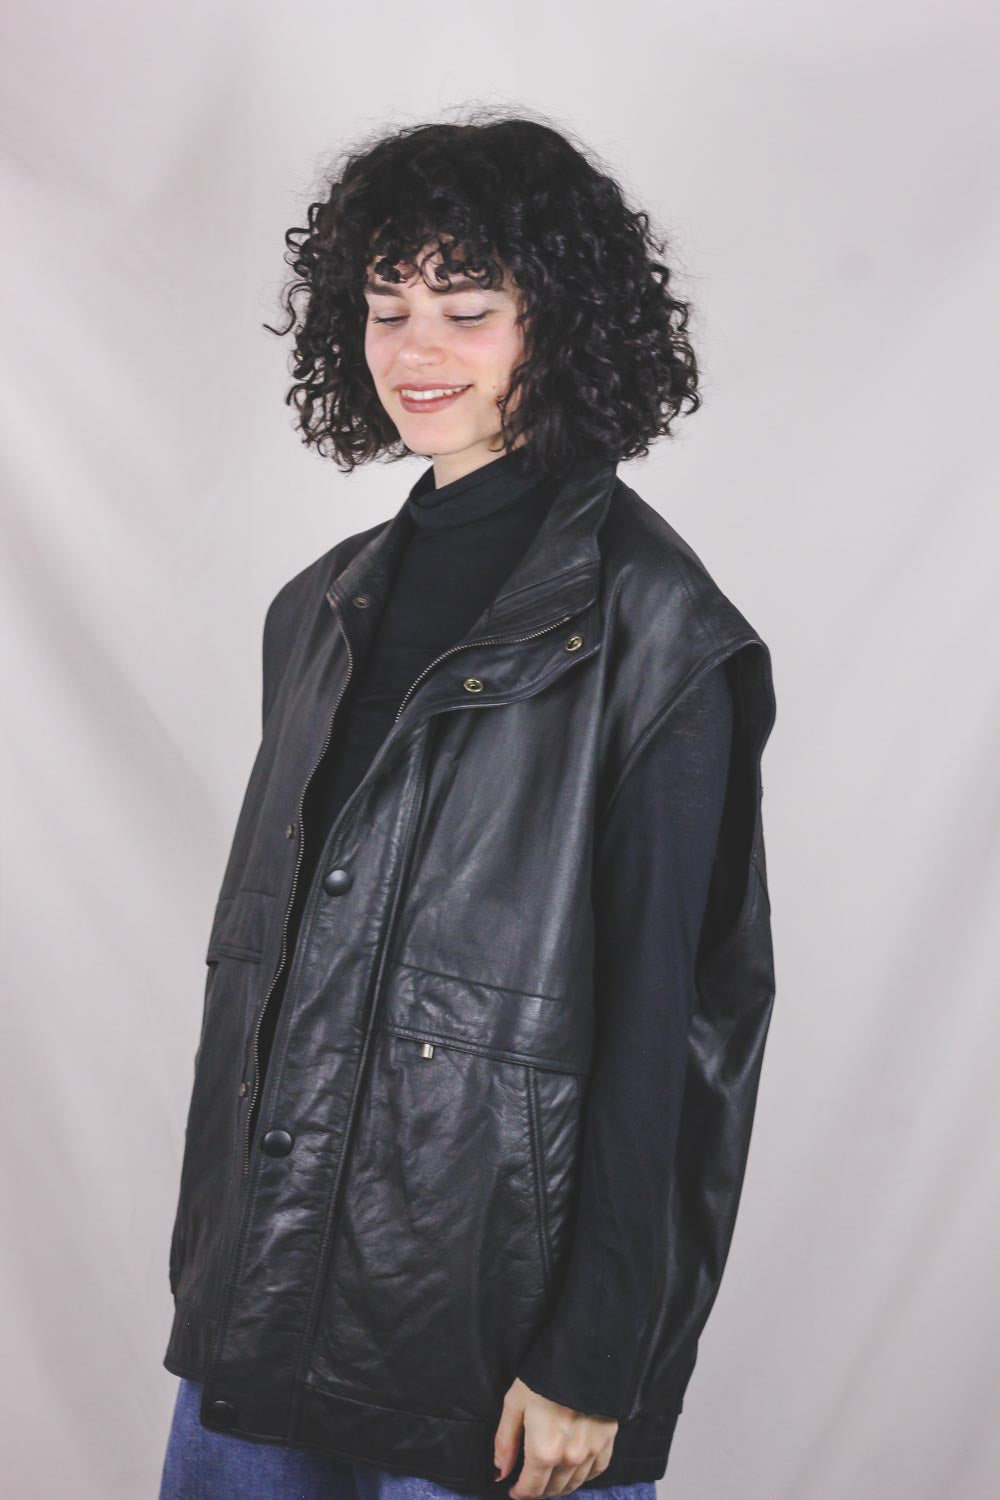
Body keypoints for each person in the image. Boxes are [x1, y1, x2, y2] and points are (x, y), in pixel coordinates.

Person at [159, 110, 776, 1500]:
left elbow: (679, 1026)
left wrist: (599, 1357)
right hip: (263, 1309)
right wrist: (219, 1273)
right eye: (386, 309)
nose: (415, 351)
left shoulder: (661, 637)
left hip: (492, 1353)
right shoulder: (316, 612)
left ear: (560, 322)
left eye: (468, 308)